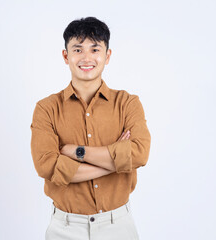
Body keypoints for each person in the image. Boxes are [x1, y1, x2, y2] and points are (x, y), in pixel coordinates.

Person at [30, 16, 151, 240]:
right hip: (65, 228)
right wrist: (116, 163)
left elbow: (140, 154)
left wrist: (77, 151)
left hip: (118, 227)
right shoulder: (46, 108)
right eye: (78, 49)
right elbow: (47, 166)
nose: (87, 58)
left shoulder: (128, 103)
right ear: (66, 56)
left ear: (108, 55)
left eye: (95, 49)